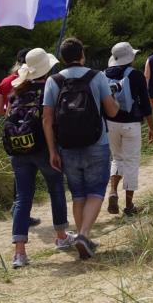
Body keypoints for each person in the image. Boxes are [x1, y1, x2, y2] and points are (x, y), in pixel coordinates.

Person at [43, 37, 120, 260]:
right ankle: (84, 235)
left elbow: (47, 120)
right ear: (82, 55)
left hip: (66, 146)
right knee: (96, 191)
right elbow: (112, 111)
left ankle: (81, 236)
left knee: (78, 194)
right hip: (97, 143)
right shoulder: (98, 76)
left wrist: (52, 151)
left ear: (62, 58)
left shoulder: (53, 81)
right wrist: (114, 98)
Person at [4, 48, 73, 268]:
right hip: (44, 148)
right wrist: (54, 150)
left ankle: (19, 253)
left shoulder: (16, 90)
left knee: (22, 198)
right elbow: (50, 121)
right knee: (56, 189)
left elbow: (7, 116)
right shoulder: (50, 87)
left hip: (19, 149)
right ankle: (62, 237)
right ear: (48, 68)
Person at [0, 47, 42, 228]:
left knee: (19, 171)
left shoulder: (5, 82)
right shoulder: (35, 80)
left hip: (12, 132)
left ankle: (18, 208)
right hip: (35, 132)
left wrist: (14, 113)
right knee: (32, 174)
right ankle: (21, 211)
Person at [104, 41, 153, 216]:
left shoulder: (104, 74)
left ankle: (112, 191)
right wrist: (151, 127)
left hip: (111, 123)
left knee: (117, 159)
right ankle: (129, 205)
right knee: (131, 162)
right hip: (131, 123)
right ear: (130, 57)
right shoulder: (136, 75)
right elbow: (145, 104)